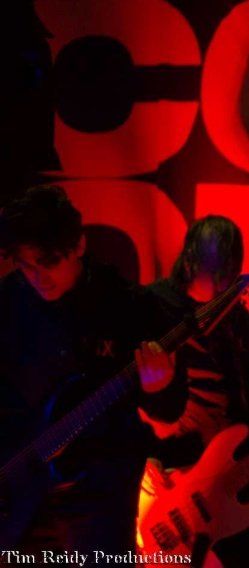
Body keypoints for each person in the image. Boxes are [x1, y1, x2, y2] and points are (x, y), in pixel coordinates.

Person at [0, 185, 183, 560]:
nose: (39, 277)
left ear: (79, 246)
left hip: (98, 498)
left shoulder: (130, 306)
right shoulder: (8, 302)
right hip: (18, 494)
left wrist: (160, 387)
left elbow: (171, 409)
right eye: (27, 266)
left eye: (50, 262)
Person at [142, 215, 249, 567]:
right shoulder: (151, 307)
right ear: (190, 262)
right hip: (168, 475)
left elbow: (242, 396)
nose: (223, 285)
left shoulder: (239, 321)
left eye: (230, 276)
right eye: (216, 274)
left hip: (222, 474)